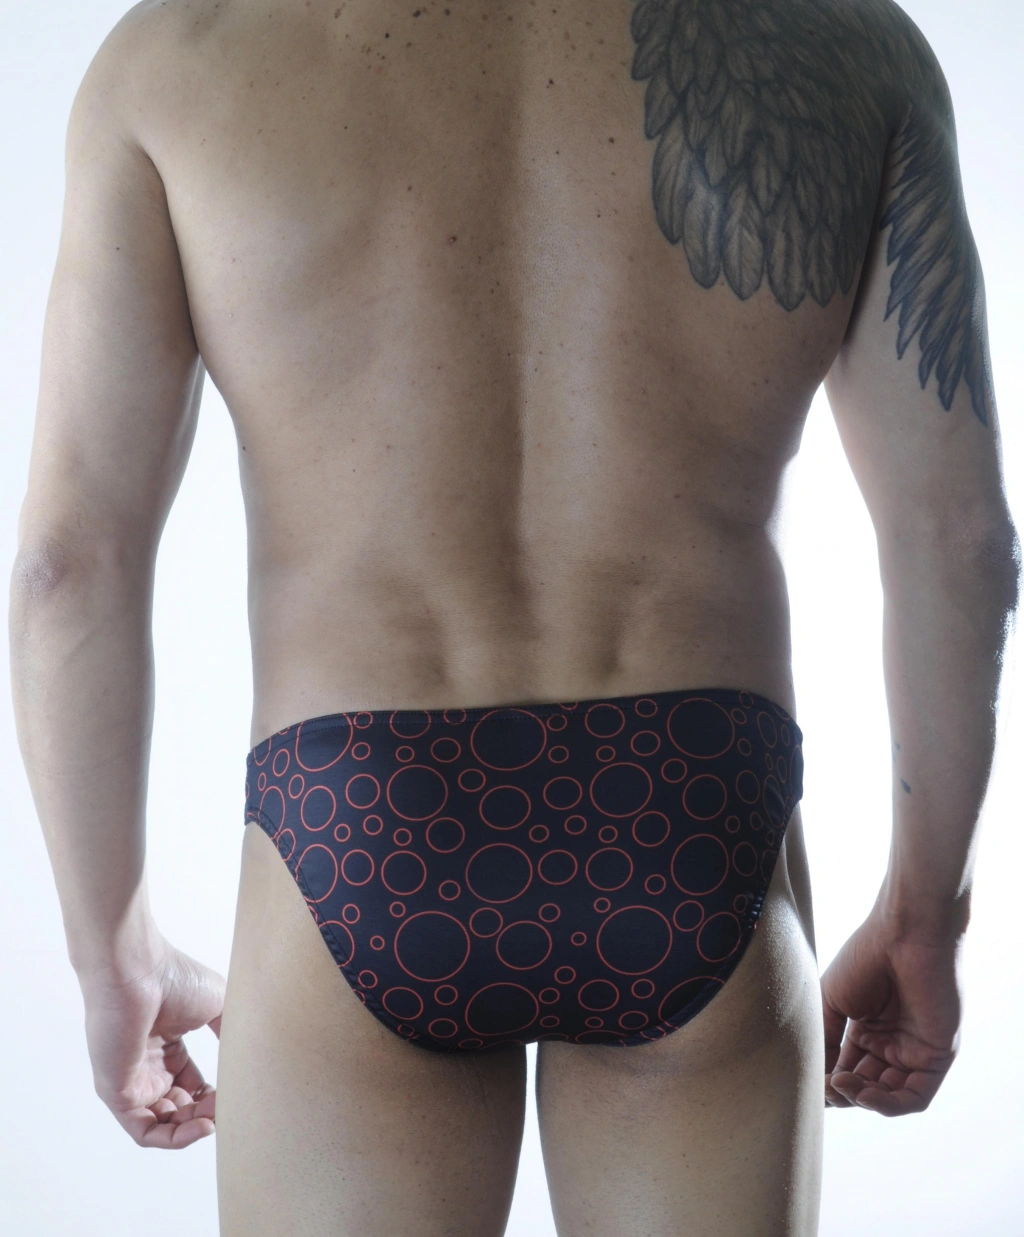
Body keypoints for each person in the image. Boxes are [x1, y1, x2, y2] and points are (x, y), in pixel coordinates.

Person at [9, 0, 1019, 1232]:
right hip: (691, 818)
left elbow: (70, 564)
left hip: (364, 828)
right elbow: (959, 540)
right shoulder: (845, 45)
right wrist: (926, 915)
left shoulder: (180, 59)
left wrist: (111, 952)